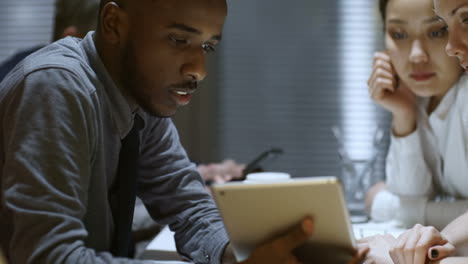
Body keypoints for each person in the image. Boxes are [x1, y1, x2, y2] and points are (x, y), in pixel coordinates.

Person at [0, 0, 366, 263]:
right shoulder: (56, 86)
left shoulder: (140, 96)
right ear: (113, 24)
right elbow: (49, 256)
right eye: (178, 40)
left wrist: (241, 257)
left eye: (207, 46)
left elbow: (192, 209)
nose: (199, 69)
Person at [366, 0, 468, 230]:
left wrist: (386, 206)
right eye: (399, 34)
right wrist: (404, 115)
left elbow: (404, 214)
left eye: (436, 32)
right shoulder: (417, 99)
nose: (416, 56)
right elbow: (409, 198)